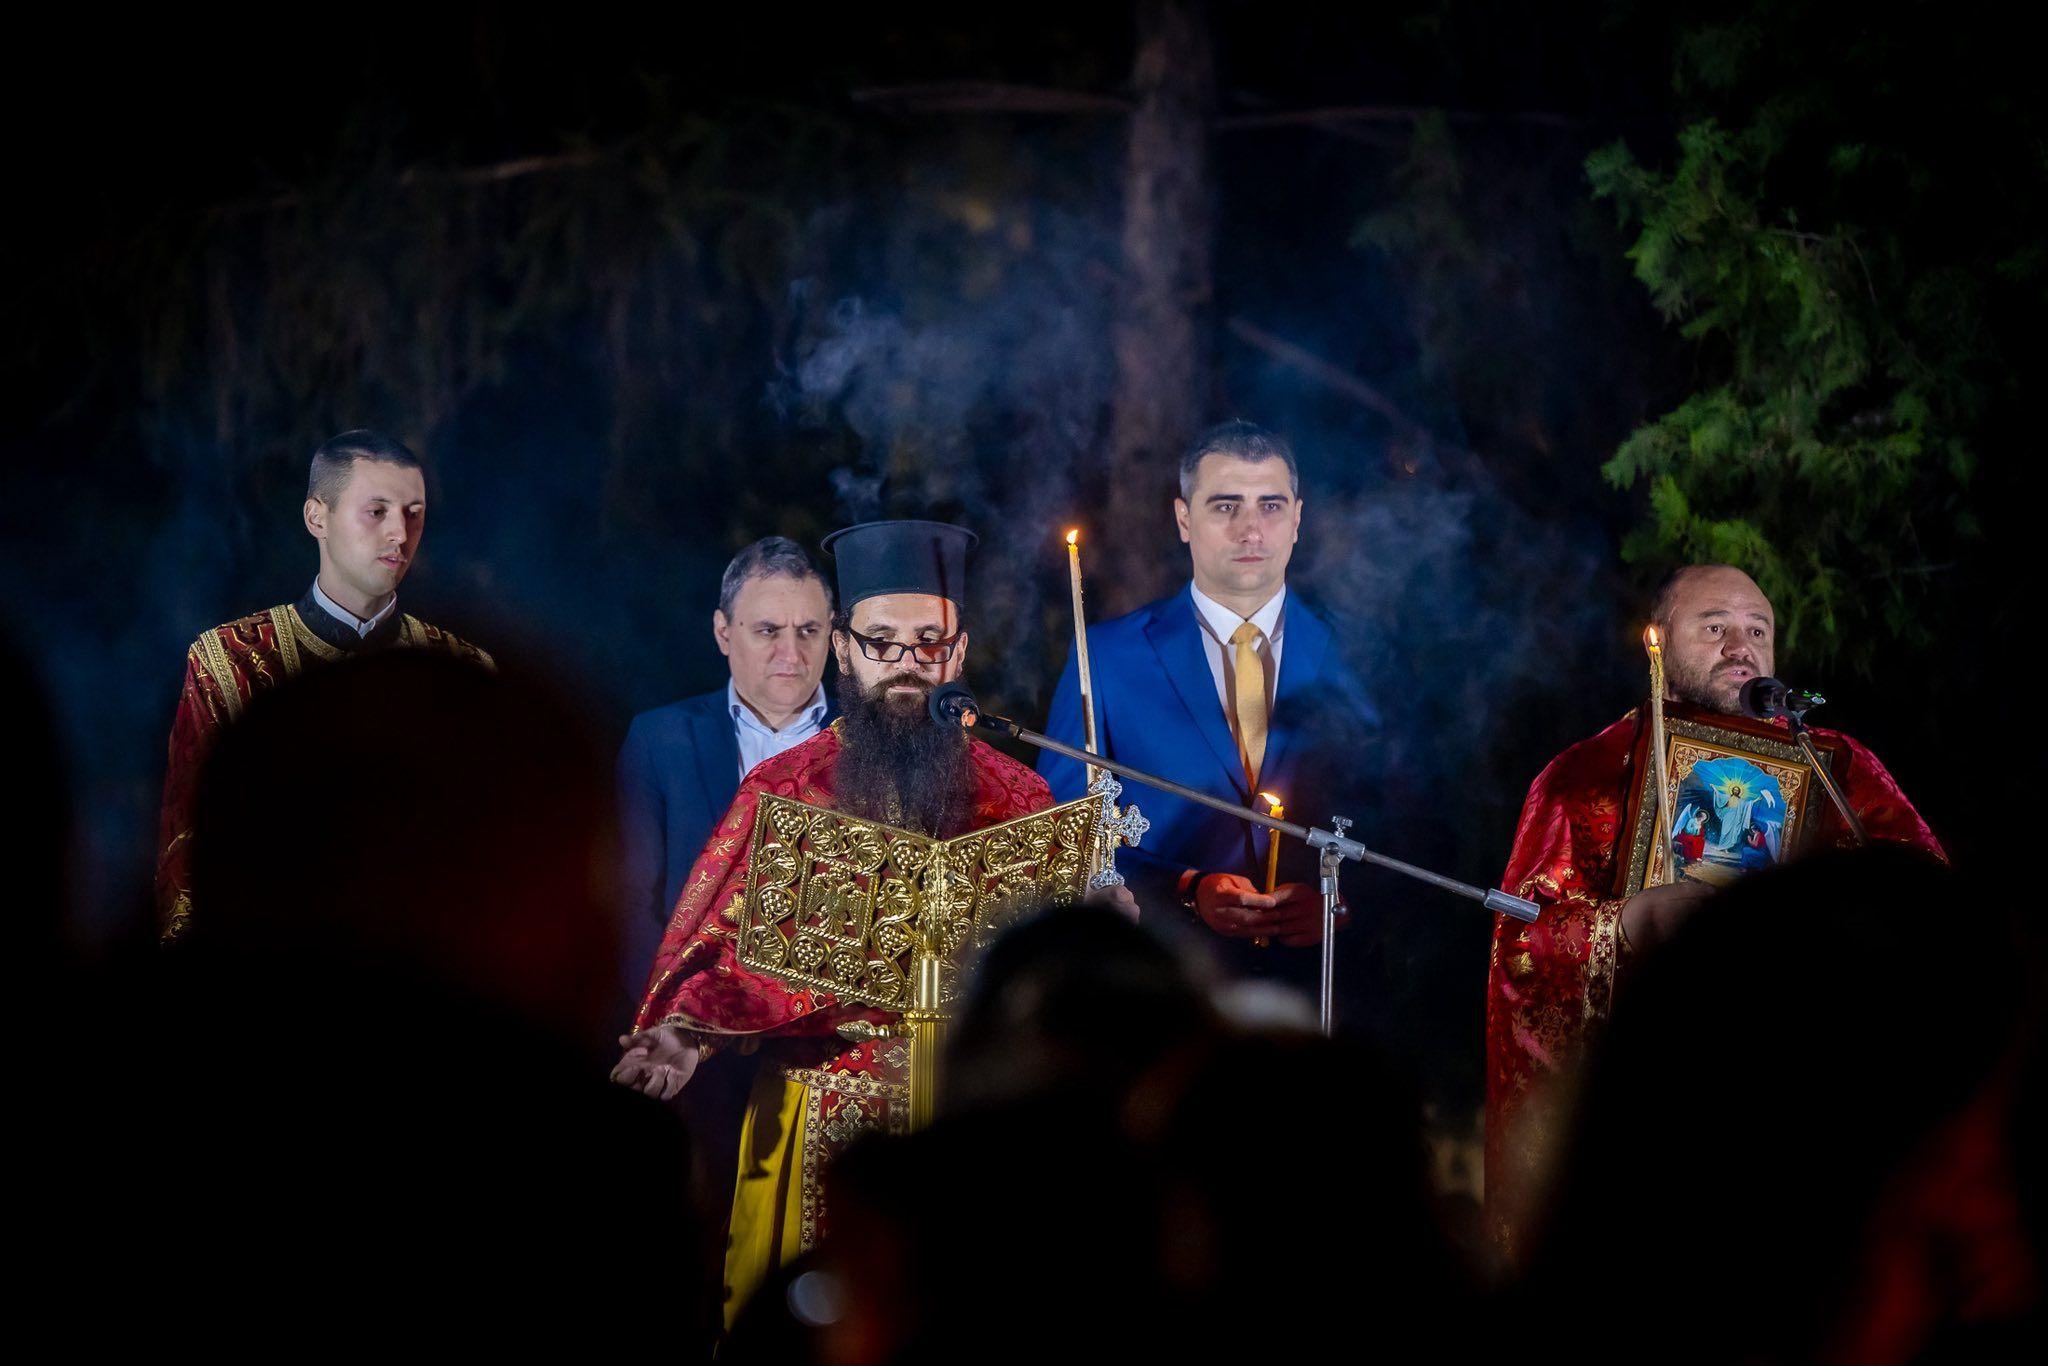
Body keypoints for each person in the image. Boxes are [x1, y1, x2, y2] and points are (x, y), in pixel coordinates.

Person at [613, 519, 1134, 1328]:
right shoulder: (785, 787)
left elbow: (1049, 985)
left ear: (958, 653)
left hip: (974, 1126)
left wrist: (1094, 929)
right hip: (822, 1110)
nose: (906, 664)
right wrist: (685, 1032)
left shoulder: (1021, 796)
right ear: (845, 651)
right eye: (882, 642)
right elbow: (728, 946)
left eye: (929, 643)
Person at [1484, 563, 1945, 1248]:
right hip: (1652, 1123)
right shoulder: (1585, 777)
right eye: (1714, 627)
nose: (1740, 647)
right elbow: (1522, 946)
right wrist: (1626, 924)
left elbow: (1933, 912)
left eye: (1758, 631)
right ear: (1660, 643)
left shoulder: (1841, 771)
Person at [1039, 421, 1376, 964]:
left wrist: (1343, 903)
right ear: (1184, 519)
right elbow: (1058, 829)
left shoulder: (1357, 656)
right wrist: (1187, 888)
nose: (1251, 531)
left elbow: (1407, 823)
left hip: (1322, 984)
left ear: (1297, 520)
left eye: (1270, 506)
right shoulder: (1106, 656)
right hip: (1162, 975)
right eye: (1225, 506)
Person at [153, 429, 490, 939]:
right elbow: (184, 855)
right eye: (376, 511)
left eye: (414, 513)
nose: (400, 533)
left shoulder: (464, 672)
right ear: (317, 518)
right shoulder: (229, 662)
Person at [615, 536, 836, 1007]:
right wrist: (665, 1016)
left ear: (833, 634)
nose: (791, 653)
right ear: (723, 632)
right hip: (684, 1024)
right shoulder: (660, 740)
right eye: (768, 630)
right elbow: (629, 902)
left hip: (824, 1029)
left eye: (808, 631)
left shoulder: (869, 742)